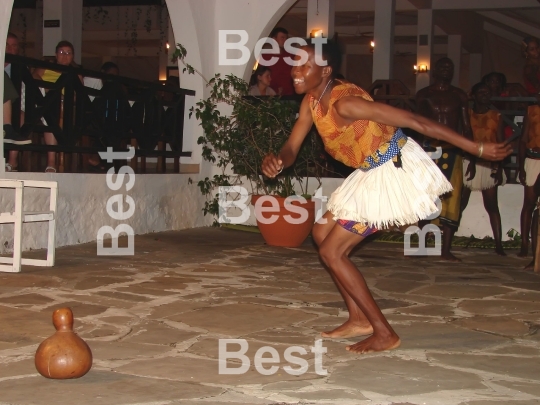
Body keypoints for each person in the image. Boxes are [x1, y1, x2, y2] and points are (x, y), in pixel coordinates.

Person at [261, 40, 511, 354]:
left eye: (304, 65)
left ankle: (383, 332)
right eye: (295, 64)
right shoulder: (311, 102)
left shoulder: (345, 103)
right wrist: (279, 160)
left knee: (332, 252)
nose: (296, 71)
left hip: (392, 169)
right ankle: (358, 319)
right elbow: (292, 146)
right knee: (321, 232)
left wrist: (476, 148)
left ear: (325, 71)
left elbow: (415, 121)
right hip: (369, 170)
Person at [415, 57, 474, 261]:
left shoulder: (459, 96)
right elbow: (414, 124)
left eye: (450, 67)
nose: (446, 70)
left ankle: (446, 249)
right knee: (425, 197)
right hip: (428, 150)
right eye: (442, 66)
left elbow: (466, 127)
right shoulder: (424, 95)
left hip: (453, 151)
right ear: (435, 70)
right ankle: (422, 245)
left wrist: (473, 157)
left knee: (452, 197)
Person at [461, 83, 506, 256]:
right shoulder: (467, 114)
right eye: (481, 92)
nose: (485, 96)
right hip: (469, 161)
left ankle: (498, 244)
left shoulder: (496, 116)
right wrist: (471, 160)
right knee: (461, 203)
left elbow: (500, 140)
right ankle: (446, 240)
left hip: (488, 163)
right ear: (474, 95)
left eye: (487, 93)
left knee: (492, 205)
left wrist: (498, 166)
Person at [32, 40, 81, 173]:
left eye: (68, 53)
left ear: (72, 56)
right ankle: (51, 161)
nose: (64, 55)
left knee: (53, 112)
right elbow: (34, 76)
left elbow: (79, 94)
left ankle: (52, 161)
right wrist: (47, 88)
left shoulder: (75, 72)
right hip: (44, 101)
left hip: (65, 105)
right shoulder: (46, 66)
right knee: (50, 109)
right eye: (61, 52)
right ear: (55, 54)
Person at [3, 32, 31, 171]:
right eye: (6, 45)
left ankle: (12, 161)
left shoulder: (21, 68)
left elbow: (26, 92)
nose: (9, 49)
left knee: (19, 116)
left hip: (15, 106)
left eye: (13, 46)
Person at [518, 97, 540, 259]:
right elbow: (523, 139)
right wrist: (521, 166)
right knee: (529, 203)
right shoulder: (532, 111)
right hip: (533, 159)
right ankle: (524, 244)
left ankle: (536, 249)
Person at [260, 27, 294, 95]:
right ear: (274, 40)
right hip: (271, 97)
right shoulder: (265, 56)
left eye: (286, 38)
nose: (285, 41)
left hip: (290, 96)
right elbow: (260, 77)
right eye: (282, 38)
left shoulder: (291, 56)